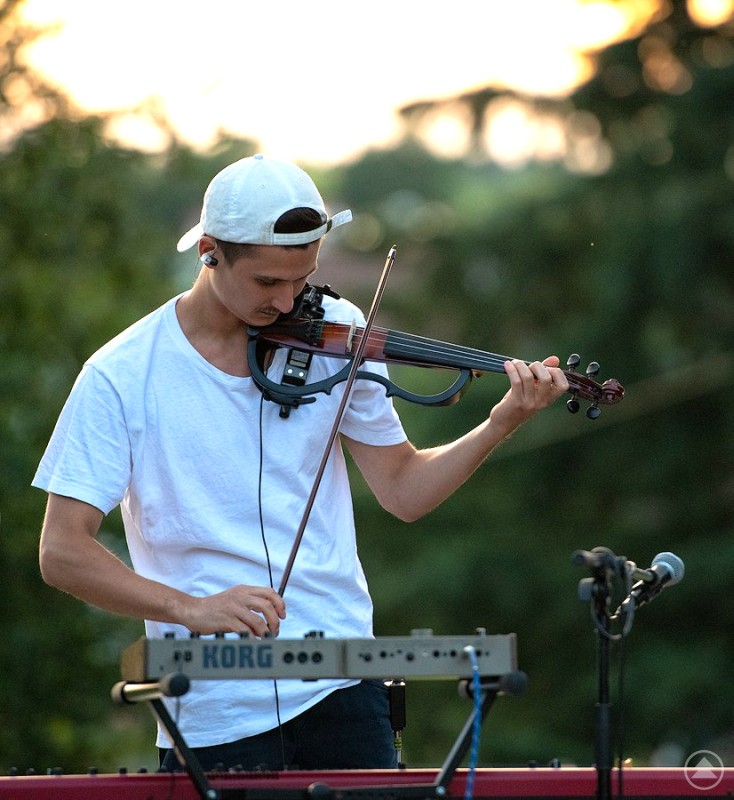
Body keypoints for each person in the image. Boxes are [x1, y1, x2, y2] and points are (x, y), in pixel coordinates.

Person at [33, 153, 568, 773]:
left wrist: (500, 423)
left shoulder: (338, 331)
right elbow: (61, 552)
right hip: (214, 705)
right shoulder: (120, 375)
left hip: (343, 678)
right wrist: (189, 608)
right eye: (267, 283)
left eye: (302, 278)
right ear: (209, 251)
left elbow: (403, 490)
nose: (289, 301)